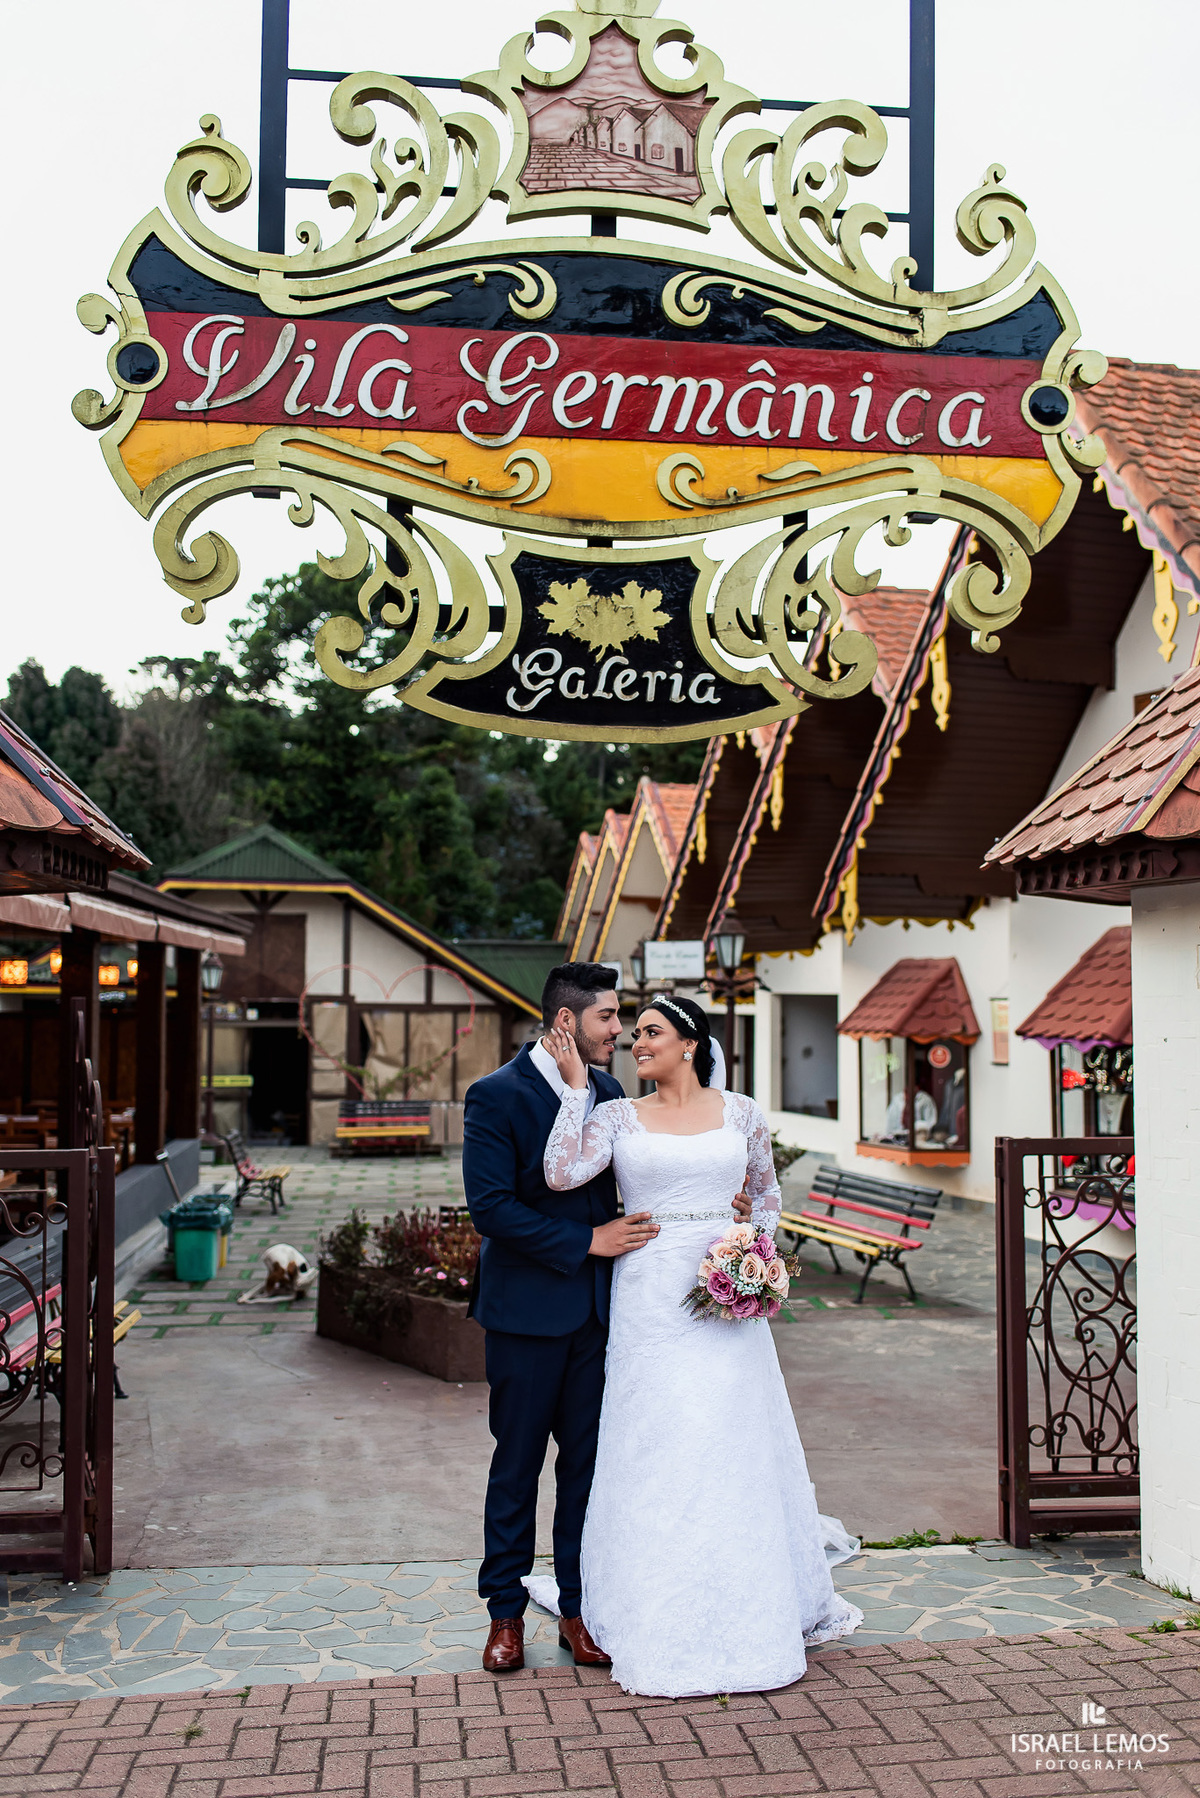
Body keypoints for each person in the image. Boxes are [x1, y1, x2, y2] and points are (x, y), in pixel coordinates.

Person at [541, 992, 862, 1698]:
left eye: (650, 1032)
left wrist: (753, 1249)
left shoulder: (742, 1113)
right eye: (633, 1034)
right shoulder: (615, 1114)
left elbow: (767, 1196)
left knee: (731, 1436)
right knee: (661, 1438)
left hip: (726, 1290)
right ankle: (651, 1598)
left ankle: (753, 1590)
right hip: (650, 1292)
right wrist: (572, 1090)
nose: (636, 1043)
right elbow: (560, 1172)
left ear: (690, 1043)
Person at [462, 963, 757, 1675]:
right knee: (517, 1465)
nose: (619, 1032)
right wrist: (586, 1241)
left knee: (588, 1472)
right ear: (567, 1021)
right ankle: (504, 1614)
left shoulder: (610, 1093)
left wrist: (721, 1206)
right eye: (608, 1017)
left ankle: (577, 1610)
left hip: (606, 1316)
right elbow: (491, 1208)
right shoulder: (496, 1094)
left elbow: (636, 1183)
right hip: (527, 1315)